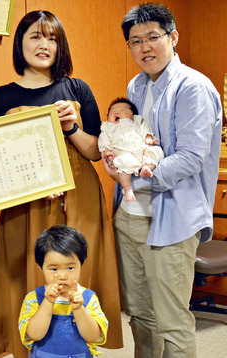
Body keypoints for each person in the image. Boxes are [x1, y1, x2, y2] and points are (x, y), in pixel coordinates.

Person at [0, 10, 122, 357]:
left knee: (79, 268)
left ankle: (80, 345)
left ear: (61, 46)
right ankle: (28, 346)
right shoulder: (0, 96)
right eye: (35, 36)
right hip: (24, 199)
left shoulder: (77, 89)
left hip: (77, 195)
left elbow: (95, 153)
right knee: (24, 269)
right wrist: (32, 180)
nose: (43, 45)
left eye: (52, 38)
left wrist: (73, 127)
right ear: (20, 43)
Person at [103, 3, 222, 358]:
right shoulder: (136, 85)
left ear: (173, 37)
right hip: (131, 216)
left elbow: (191, 157)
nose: (144, 48)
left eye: (153, 37)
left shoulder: (193, 87)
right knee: (140, 314)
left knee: (171, 320)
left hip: (172, 217)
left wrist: (142, 173)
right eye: (135, 41)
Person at [19, 225, 108, 357]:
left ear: (81, 265)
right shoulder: (34, 298)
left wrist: (79, 310)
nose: (62, 276)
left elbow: (93, 337)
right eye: (54, 269)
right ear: (41, 268)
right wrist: (48, 302)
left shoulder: (88, 298)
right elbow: (34, 335)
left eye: (70, 268)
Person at [98, 97, 164, 202]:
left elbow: (144, 127)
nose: (117, 112)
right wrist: (106, 150)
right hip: (123, 154)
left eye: (122, 110)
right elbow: (103, 139)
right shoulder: (107, 127)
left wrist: (148, 137)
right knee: (123, 163)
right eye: (112, 112)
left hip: (140, 151)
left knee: (156, 151)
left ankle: (147, 167)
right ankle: (128, 189)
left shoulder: (136, 121)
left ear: (132, 115)